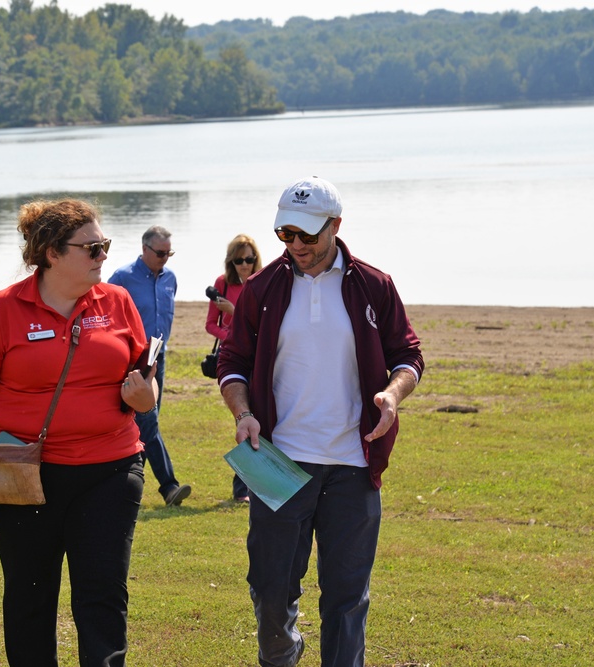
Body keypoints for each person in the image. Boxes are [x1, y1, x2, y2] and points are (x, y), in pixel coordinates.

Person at [216, 176, 424, 667]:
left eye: (306, 235)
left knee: (346, 600)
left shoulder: (375, 285)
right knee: (270, 591)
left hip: (354, 465)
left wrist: (393, 395)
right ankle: (284, 652)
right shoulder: (261, 289)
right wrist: (243, 413)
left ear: (335, 225)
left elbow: (408, 355)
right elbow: (233, 363)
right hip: (280, 464)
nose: (295, 245)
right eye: (285, 234)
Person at [0, 199, 158, 667]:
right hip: (23, 475)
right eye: (91, 247)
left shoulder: (118, 302)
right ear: (51, 252)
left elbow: (146, 379)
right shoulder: (1, 310)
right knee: (30, 600)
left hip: (110, 471)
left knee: (103, 594)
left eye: (105, 246)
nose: (103, 255)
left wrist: (146, 399)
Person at [108, 226, 192, 507]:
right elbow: (104, 310)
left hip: (159, 356)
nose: (165, 258)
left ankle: (128, 484)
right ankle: (169, 487)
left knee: (145, 424)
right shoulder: (122, 277)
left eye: (169, 253)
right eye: (160, 253)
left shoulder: (171, 278)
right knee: (148, 419)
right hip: (134, 359)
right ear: (144, 249)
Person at [205, 234, 262, 502]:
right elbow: (210, 325)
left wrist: (234, 310)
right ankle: (241, 491)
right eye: (239, 260)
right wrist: (232, 335)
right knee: (244, 421)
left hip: (260, 361)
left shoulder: (262, 282)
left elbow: (263, 324)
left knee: (260, 422)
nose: (245, 265)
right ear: (231, 261)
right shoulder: (222, 284)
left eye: (249, 259)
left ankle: (252, 487)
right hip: (235, 361)